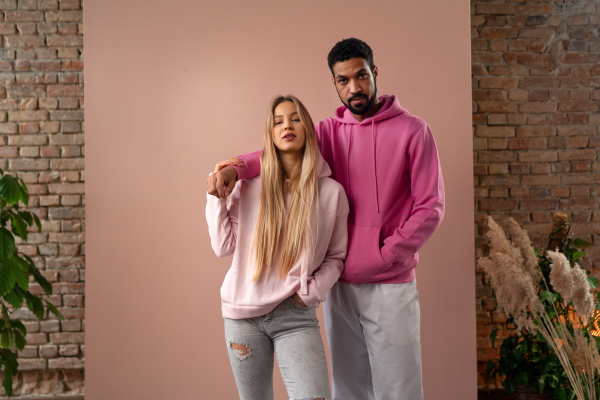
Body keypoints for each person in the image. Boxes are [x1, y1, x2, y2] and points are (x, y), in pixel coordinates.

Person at [207, 38, 445, 400]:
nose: (355, 88)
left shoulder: (413, 131)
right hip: (339, 285)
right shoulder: (329, 133)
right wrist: (234, 170)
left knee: (399, 389)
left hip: (389, 280)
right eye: (344, 80)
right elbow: (277, 149)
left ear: (374, 72)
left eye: (361, 76)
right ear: (334, 83)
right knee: (348, 388)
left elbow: (430, 208)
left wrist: (385, 253)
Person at [206, 95, 349, 400]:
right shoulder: (246, 187)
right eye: (278, 121)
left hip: (295, 316)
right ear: (270, 134)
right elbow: (222, 247)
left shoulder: (331, 193)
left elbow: (336, 257)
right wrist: (215, 196)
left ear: (308, 128)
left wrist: (309, 293)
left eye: (296, 118)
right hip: (242, 317)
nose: (288, 125)